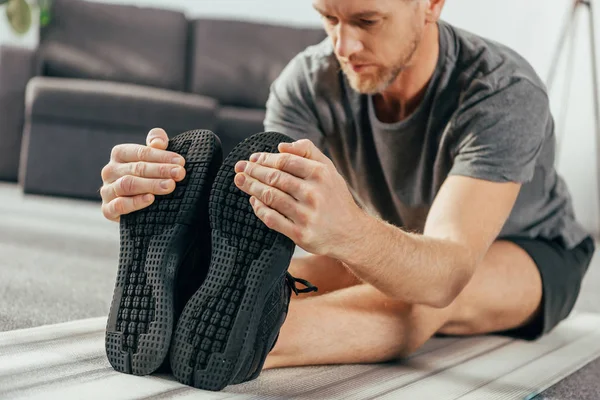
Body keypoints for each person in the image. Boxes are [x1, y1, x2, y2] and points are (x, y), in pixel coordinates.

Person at [100, 0, 595, 374]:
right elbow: (264, 224)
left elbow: (444, 273)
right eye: (329, 18)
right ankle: (189, 299)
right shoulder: (305, 84)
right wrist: (152, 188)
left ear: (432, 4)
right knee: (283, 271)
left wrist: (350, 232)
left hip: (526, 250)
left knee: (419, 300)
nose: (343, 47)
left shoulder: (503, 92)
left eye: (366, 21)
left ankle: (253, 343)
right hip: (389, 232)